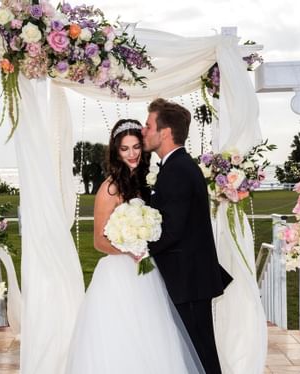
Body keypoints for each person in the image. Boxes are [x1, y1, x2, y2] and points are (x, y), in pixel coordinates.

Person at [65, 119, 204, 374]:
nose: (132, 154)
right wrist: (129, 249)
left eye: (136, 147)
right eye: (125, 149)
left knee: (153, 335)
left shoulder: (144, 182)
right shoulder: (109, 188)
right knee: (120, 337)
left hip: (146, 271)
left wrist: (146, 238)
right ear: (116, 152)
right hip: (118, 273)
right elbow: (99, 240)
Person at [142, 98, 233, 374]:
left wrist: (137, 246)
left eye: (148, 126)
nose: (144, 131)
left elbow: (172, 230)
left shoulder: (178, 170)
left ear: (165, 132)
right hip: (189, 277)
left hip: (188, 279)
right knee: (194, 352)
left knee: (201, 354)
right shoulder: (175, 167)